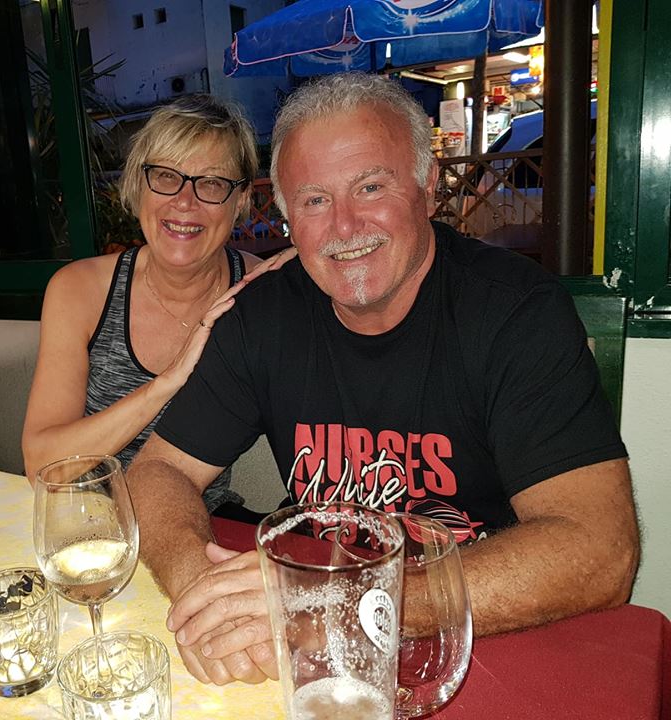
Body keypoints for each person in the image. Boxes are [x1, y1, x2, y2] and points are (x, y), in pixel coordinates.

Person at [127, 73, 640, 685]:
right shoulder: (262, 314)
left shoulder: (514, 311)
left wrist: (347, 605)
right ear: (287, 218)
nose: (344, 228)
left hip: (478, 633)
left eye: (370, 187)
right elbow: (156, 473)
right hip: (315, 631)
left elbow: (600, 550)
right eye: (314, 201)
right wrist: (198, 589)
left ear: (428, 186)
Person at [22, 94, 293, 509]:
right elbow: (42, 465)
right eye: (166, 176)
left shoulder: (260, 290)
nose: (184, 202)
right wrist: (165, 384)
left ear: (240, 200)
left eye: (211, 183)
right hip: (87, 522)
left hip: (196, 522)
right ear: (138, 184)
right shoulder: (80, 290)